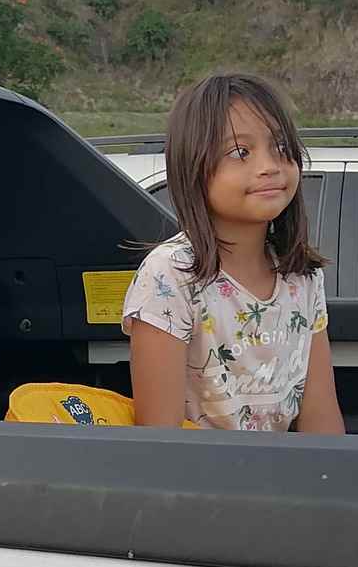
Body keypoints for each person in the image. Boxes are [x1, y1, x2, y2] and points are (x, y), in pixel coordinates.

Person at [123, 73, 344, 433]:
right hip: (199, 469)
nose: (269, 166)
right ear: (194, 169)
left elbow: (322, 422)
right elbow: (159, 440)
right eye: (241, 152)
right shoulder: (170, 276)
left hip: (281, 470)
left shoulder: (302, 276)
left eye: (281, 147)